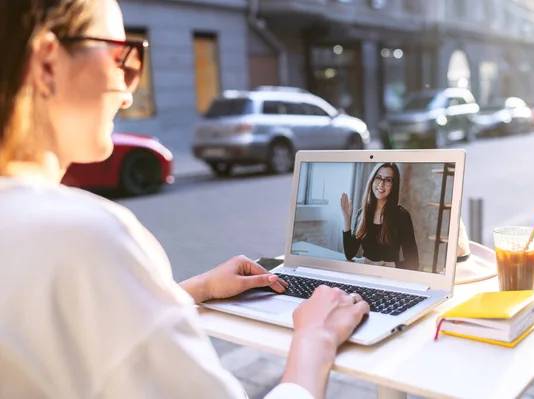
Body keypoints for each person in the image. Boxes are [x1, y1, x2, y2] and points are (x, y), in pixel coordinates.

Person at [0, 1, 370, 399]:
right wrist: (316, 340)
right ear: (47, 63)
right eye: (122, 58)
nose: (128, 94)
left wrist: (192, 290)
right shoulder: (83, 236)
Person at [340, 162, 420, 270]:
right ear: (372, 180)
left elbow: (413, 263)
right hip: (365, 273)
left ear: (393, 185)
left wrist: (380, 265)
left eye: (388, 180)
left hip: (389, 277)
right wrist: (346, 218)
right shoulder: (362, 213)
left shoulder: (402, 216)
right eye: (378, 178)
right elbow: (350, 254)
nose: (381, 184)